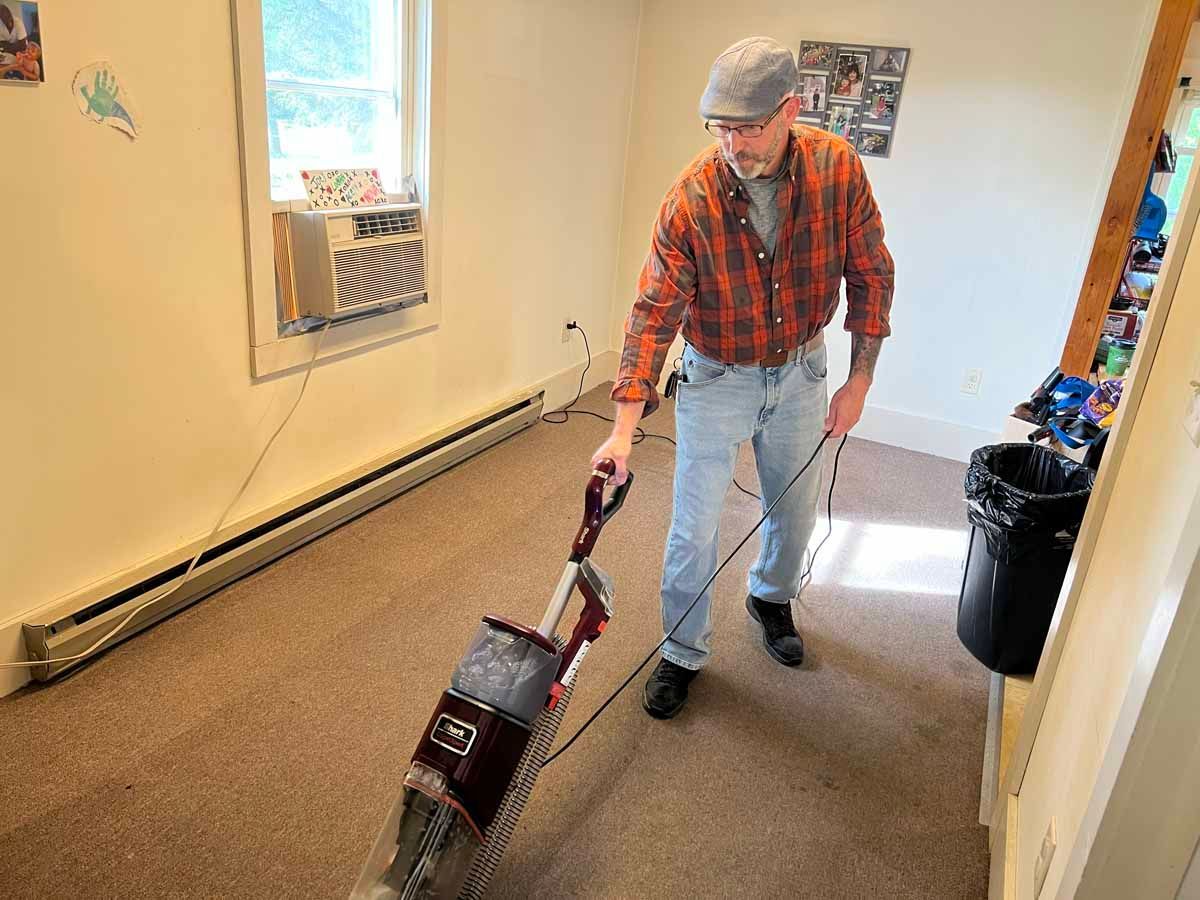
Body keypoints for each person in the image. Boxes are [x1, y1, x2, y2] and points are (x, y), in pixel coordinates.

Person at [593, 36, 894, 719]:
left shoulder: (837, 170)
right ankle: (681, 651)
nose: (734, 144)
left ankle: (770, 596)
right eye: (721, 127)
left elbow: (872, 272)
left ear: (791, 109)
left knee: (792, 508)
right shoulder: (692, 198)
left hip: (802, 372)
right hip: (717, 375)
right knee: (692, 526)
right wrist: (621, 433)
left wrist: (859, 381)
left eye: (749, 127)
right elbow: (653, 315)